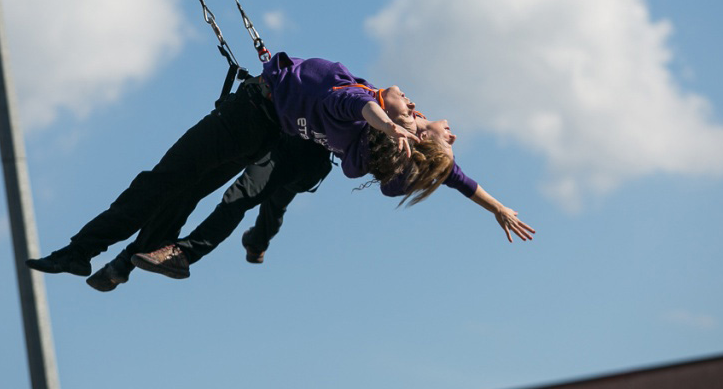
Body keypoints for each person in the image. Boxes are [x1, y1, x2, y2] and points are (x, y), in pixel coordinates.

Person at [26, 52, 439, 278]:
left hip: (246, 116)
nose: (415, 105)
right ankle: (128, 255)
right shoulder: (353, 150)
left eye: (413, 113)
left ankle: (80, 251)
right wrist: (415, 149)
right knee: (180, 190)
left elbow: (361, 106)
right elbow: (386, 166)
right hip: (258, 132)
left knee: (160, 182)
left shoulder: (354, 103)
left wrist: (392, 127)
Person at [130, 102, 535, 280]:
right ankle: (254, 242)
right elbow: (468, 186)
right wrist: (499, 207)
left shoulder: (412, 152)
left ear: (430, 141)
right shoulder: (411, 114)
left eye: (450, 139)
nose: (455, 132)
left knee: (262, 196)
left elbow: (458, 180)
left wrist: (495, 206)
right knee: (266, 200)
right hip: (297, 134)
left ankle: (193, 252)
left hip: (309, 155)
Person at [85, 134, 331, 291]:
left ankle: (178, 256)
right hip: (304, 165)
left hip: (289, 153)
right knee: (274, 205)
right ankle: (256, 244)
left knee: (240, 196)